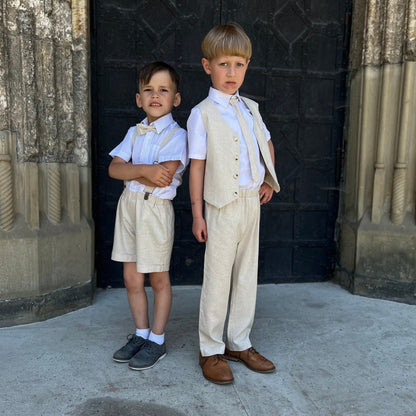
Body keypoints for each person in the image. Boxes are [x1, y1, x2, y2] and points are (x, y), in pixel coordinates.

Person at [187, 23, 280, 384]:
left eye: (239, 64)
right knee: (218, 278)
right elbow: (198, 165)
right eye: (224, 64)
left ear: (247, 66)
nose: (232, 73)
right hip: (221, 206)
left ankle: (239, 341)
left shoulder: (251, 108)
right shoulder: (203, 113)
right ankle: (210, 349)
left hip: (249, 204)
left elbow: (265, 144)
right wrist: (198, 213)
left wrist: (268, 180)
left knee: (246, 276)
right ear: (207, 65)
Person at [108, 61, 187, 371]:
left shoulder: (177, 135)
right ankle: (140, 334)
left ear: (175, 99)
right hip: (128, 205)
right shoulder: (133, 131)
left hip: (154, 209)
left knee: (157, 277)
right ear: (138, 98)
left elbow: (163, 178)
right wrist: (143, 169)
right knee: (131, 277)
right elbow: (114, 169)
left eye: (163, 90)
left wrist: (134, 171)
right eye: (149, 90)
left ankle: (157, 338)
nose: (156, 95)